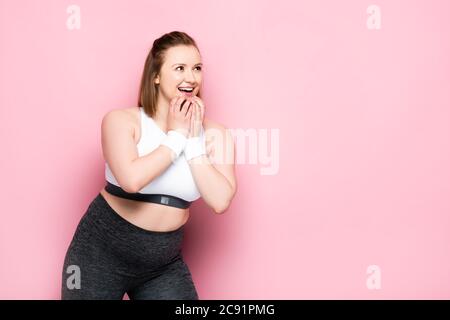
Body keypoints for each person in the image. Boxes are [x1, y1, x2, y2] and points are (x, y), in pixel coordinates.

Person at [61, 31, 237, 300]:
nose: (191, 77)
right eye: (179, 68)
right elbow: (132, 180)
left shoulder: (216, 134)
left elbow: (220, 200)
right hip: (101, 253)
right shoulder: (121, 121)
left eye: (197, 68)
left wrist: (191, 141)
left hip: (162, 263)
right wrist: (176, 136)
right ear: (156, 75)